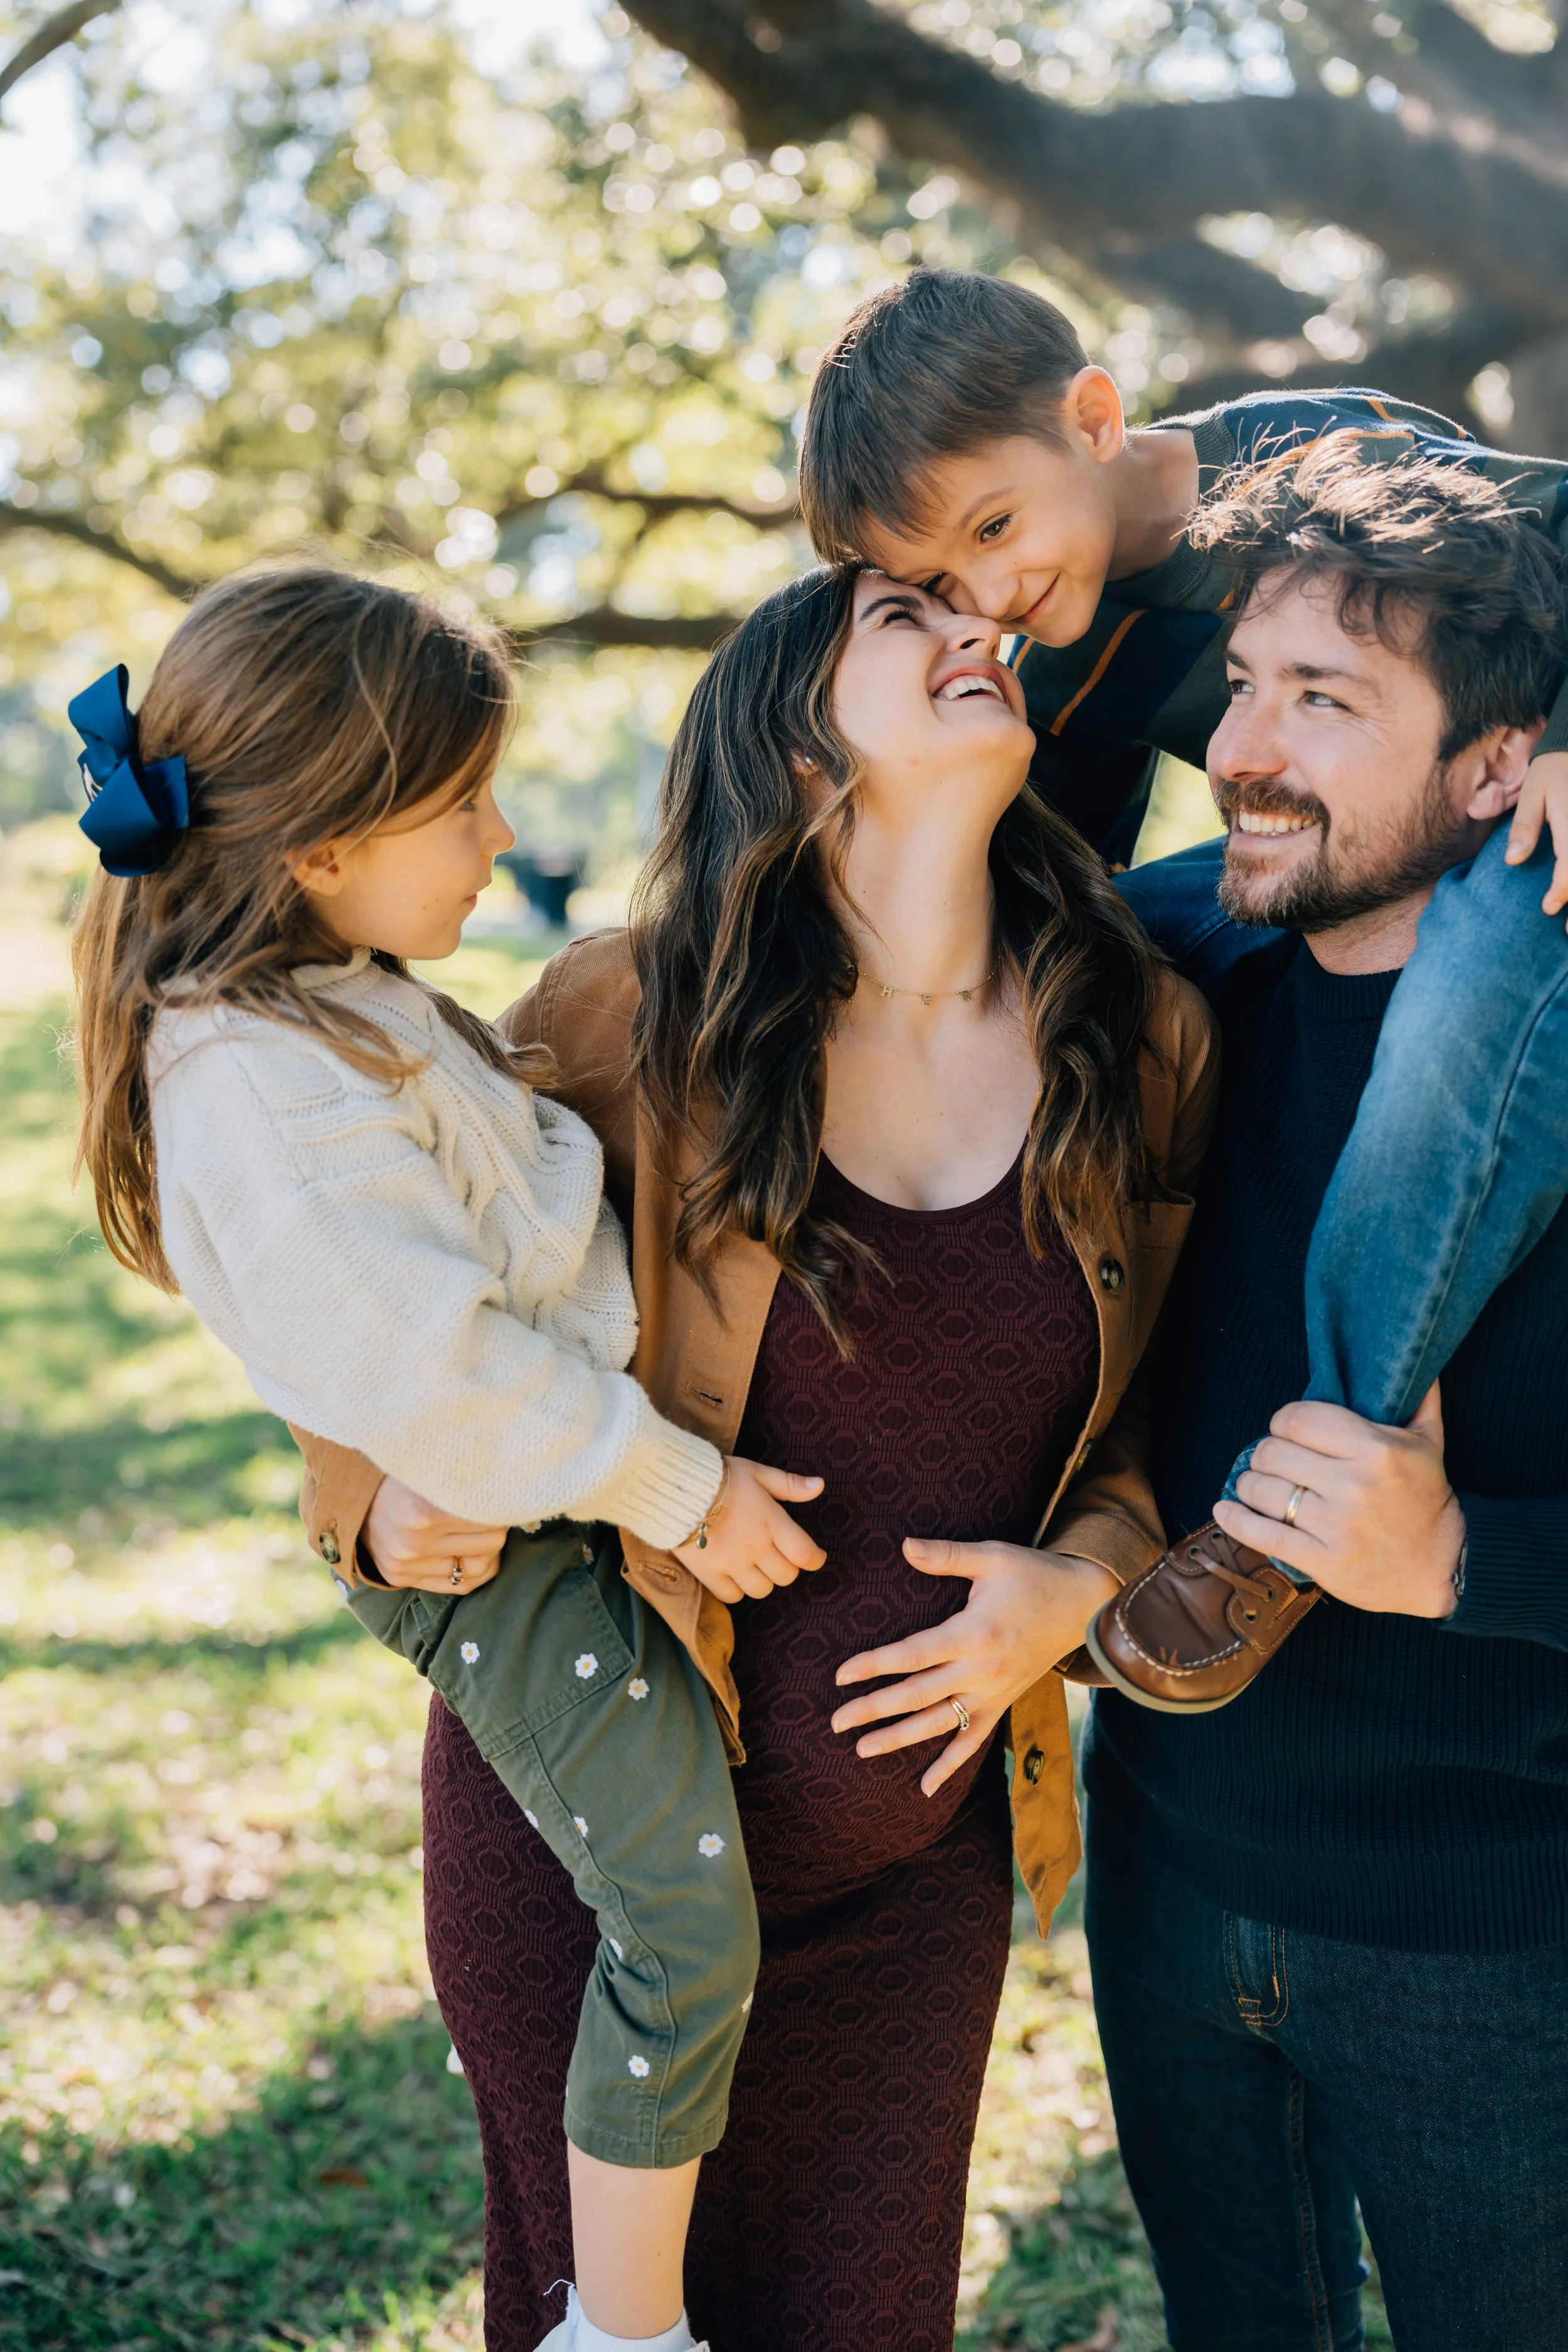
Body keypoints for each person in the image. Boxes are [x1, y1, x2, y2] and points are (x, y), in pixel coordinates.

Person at [291, 560, 1219, 2350]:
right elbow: (368, 1281)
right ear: (792, 739)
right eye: (903, 617)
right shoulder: (627, 1015)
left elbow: (1159, 1423)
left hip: (905, 1877)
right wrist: (365, 1491)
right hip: (584, 1860)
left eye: (984, 618)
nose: (980, 633)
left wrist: (1083, 1584)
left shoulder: (1142, 1030)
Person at [66, 566, 842, 2352]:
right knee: (679, 1912)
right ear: (325, 840)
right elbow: (441, 1368)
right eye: (460, 803)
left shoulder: (342, 999)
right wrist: (683, 1490)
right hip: (529, 1541)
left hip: (527, 1485)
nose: (500, 835)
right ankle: (623, 2324)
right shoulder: (261, 1079)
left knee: (688, 1892)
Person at [799, 267, 1568, 1710]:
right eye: (941, 587)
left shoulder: (1314, 451)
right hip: (1311, 855)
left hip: (1520, 839)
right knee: (1096, 944)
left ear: (1093, 417)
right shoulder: (1069, 657)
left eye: (991, 528)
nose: (988, 596)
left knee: (1482, 970)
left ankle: (1307, 1483)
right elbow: (1056, 892)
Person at [1054, 453, 1565, 2349]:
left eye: (1325, 699)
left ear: (1495, 762)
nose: (1243, 747)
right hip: (1166, 1862)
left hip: (1487, 1933)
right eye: (1244, 683)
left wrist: (1458, 1559)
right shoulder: (1169, 986)